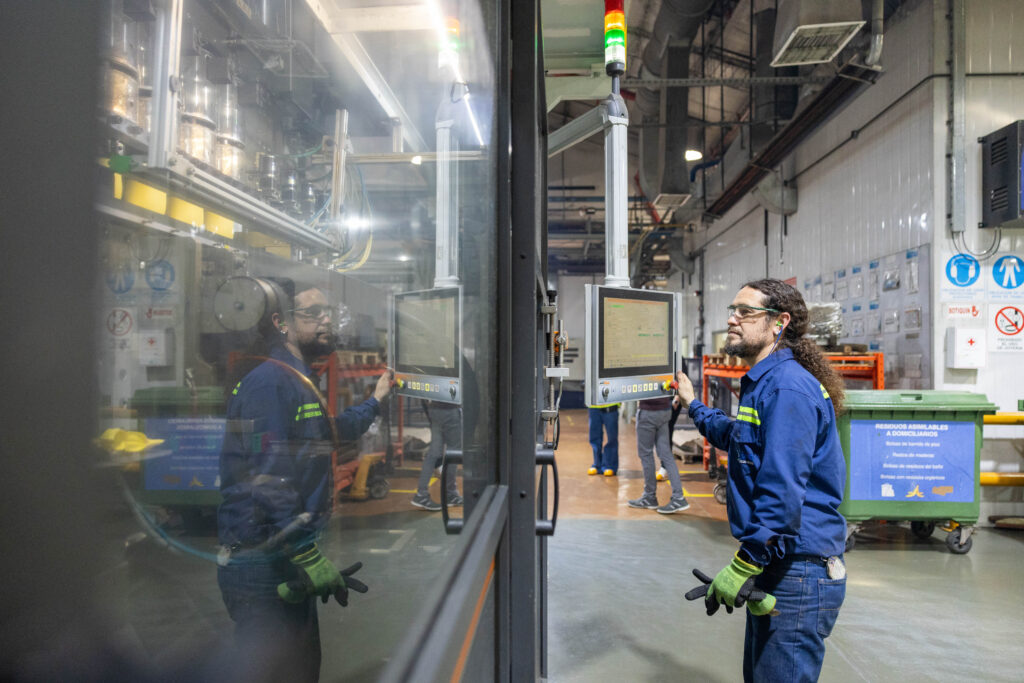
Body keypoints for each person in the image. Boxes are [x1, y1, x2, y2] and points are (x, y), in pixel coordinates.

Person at [217, 280, 393, 682]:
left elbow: (327, 432)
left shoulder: (297, 379)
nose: (326, 319)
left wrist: (376, 399)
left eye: (328, 311)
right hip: (260, 559)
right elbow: (268, 475)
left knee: (301, 668)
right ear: (280, 323)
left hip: (283, 553)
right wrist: (307, 555)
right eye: (314, 314)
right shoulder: (271, 382)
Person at [673, 278, 847, 682]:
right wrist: (692, 404)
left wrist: (744, 563)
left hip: (799, 572)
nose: (732, 319)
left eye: (745, 312)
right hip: (780, 564)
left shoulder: (787, 389)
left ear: (778, 323)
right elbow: (739, 438)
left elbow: (781, 490)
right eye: (733, 310)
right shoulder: (766, 383)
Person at [627, 394, 689, 513]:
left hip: (648, 411)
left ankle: (649, 497)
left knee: (646, 454)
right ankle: (678, 497)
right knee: (666, 454)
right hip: (664, 410)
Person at [411, 400, 464, 510]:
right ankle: (451, 493)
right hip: (450, 409)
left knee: (434, 453)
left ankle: (421, 494)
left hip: (434, 410)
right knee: (453, 451)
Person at [587, 401, 620, 476]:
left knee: (612, 438)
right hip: (594, 406)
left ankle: (610, 466)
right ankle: (597, 465)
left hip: (610, 405)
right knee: (594, 437)